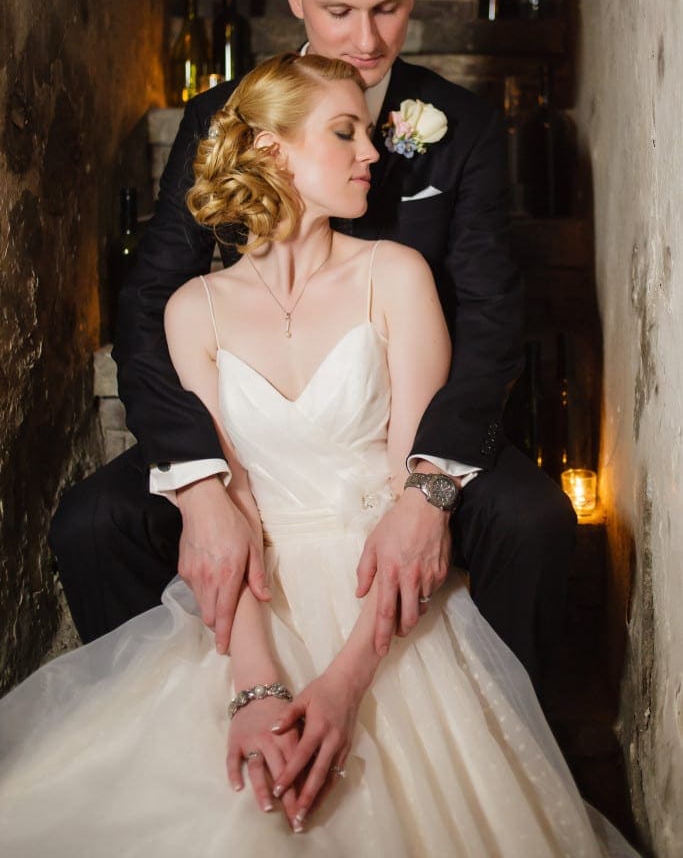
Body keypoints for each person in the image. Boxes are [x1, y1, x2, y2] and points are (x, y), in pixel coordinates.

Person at [0, 54, 637, 857]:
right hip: (250, 603)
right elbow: (231, 525)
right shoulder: (194, 311)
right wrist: (256, 688)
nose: (371, 154)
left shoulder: (396, 276)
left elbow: (416, 503)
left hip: (383, 590)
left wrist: (342, 688)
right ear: (270, 151)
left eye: (369, 134)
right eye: (345, 133)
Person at [50, 0, 575, 690]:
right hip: (253, 429)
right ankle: (158, 707)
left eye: (388, 8)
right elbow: (150, 303)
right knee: (93, 521)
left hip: (404, 413)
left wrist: (427, 488)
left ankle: (525, 742)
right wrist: (199, 486)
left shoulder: (458, 124)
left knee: (533, 518)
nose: (365, 40)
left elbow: (490, 313)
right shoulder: (218, 120)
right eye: (337, 11)